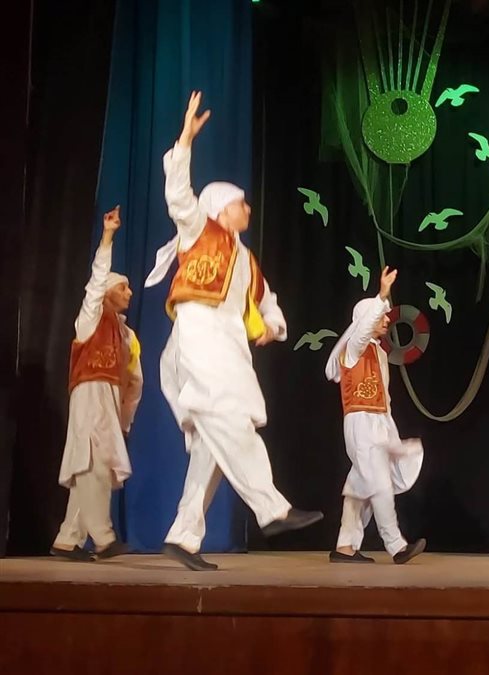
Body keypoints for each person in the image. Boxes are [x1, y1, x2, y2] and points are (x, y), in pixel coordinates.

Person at [146, 91, 321, 571]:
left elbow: (265, 300)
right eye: (241, 203)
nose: (248, 208)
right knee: (230, 415)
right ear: (222, 209)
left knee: (214, 440)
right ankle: (272, 508)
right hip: (199, 329)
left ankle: (183, 535)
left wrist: (274, 326)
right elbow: (178, 195)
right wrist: (185, 141)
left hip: (227, 339)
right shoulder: (198, 230)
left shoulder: (245, 257)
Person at [51, 206, 143, 562]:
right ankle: (103, 537)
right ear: (106, 293)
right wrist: (107, 237)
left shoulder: (125, 333)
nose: (130, 292)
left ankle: (67, 538)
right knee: (95, 461)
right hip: (89, 390)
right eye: (123, 287)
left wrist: (124, 418)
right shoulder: (90, 318)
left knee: (92, 463)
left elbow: (133, 380)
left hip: (108, 397)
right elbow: (95, 281)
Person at [325, 266, 426, 564]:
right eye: (381, 316)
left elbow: (385, 398)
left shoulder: (380, 353)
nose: (386, 320)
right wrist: (381, 295)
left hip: (379, 422)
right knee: (379, 484)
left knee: (360, 488)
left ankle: (345, 546)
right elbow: (362, 331)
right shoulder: (352, 350)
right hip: (360, 422)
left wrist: (391, 434)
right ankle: (396, 546)